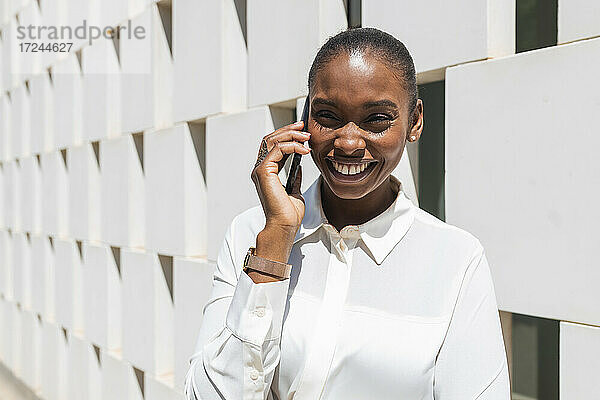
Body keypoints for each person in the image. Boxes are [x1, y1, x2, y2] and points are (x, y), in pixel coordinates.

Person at [184, 27, 510, 399]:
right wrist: (274, 246)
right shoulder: (252, 235)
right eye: (328, 115)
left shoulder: (456, 261)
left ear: (414, 121)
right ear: (304, 118)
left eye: (376, 119)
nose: (349, 142)